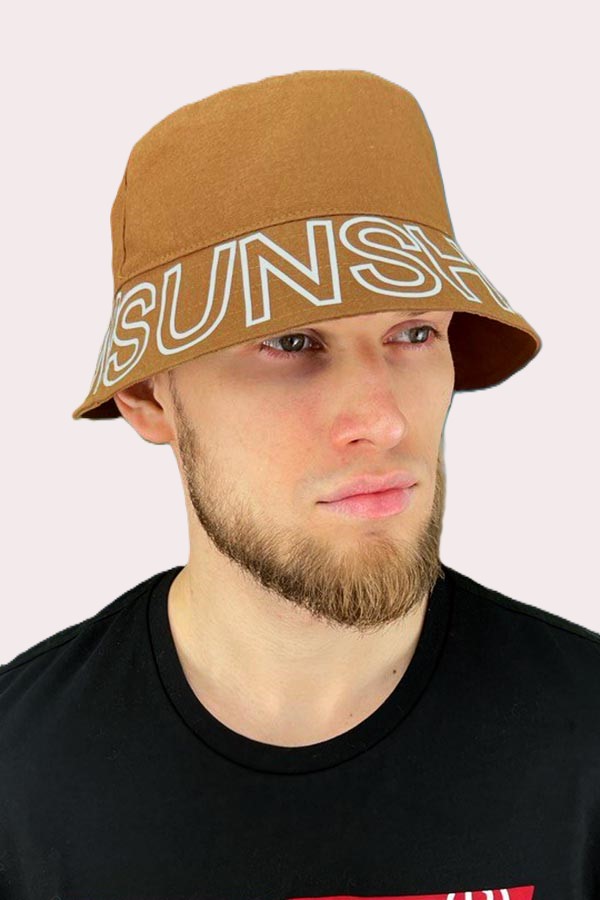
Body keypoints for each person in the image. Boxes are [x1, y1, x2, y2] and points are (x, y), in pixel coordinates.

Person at [1, 69, 598, 899]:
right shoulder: (20, 777)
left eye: (414, 332)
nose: (382, 420)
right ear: (147, 395)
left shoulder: (584, 735)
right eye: (291, 343)